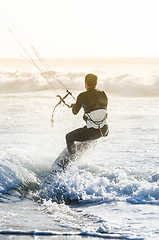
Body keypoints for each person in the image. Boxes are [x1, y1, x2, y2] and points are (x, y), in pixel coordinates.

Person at [66, 73, 109, 155]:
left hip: (92, 132)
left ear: (85, 83)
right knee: (89, 131)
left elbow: (75, 112)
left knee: (69, 137)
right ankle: (85, 146)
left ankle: (71, 159)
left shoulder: (82, 96)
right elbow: (98, 108)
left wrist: (76, 105)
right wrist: (82, 104)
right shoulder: (103, 94)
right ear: (96, 83)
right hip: (104, 130)